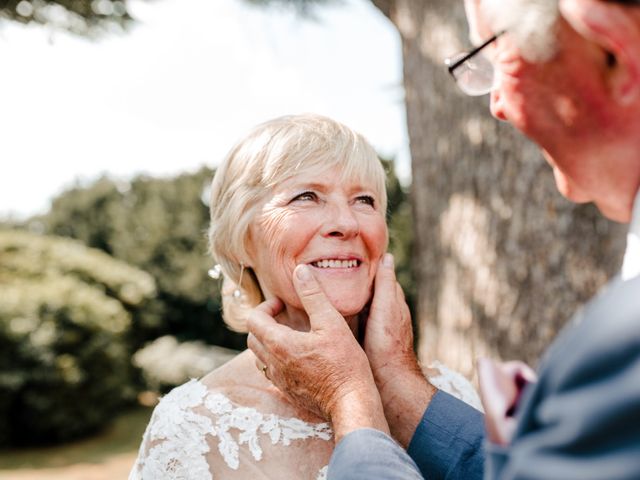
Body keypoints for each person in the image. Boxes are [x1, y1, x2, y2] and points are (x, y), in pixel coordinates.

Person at [246, 1, 640, 479]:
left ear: (613, 50)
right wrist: (394, 386)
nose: (496, 104)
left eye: (497, 57)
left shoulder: (623, 339)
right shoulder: (193, 418)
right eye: (306, 196)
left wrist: (352, 402)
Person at [129, 114, 480, 480]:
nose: (347, 224)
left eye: (364, 200)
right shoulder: (192, 428)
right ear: (240, 241)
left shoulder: (451, 392)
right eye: (306, 197)